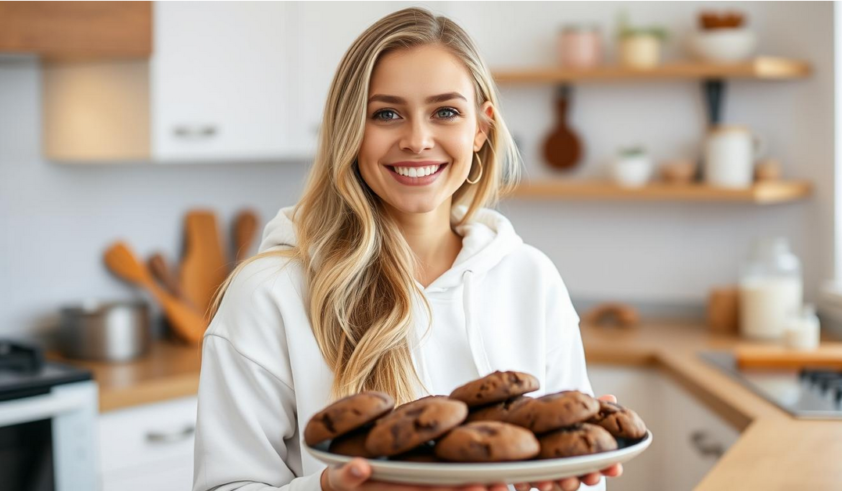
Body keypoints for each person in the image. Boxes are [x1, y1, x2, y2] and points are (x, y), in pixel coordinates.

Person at [193, 7, 622, 491]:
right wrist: (329, 488)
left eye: (445, 112)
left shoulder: (531, 279)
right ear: (350, 131)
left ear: (480, 129)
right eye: (387, 114)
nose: (417, 140)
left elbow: (583, 477)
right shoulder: (268, 293)